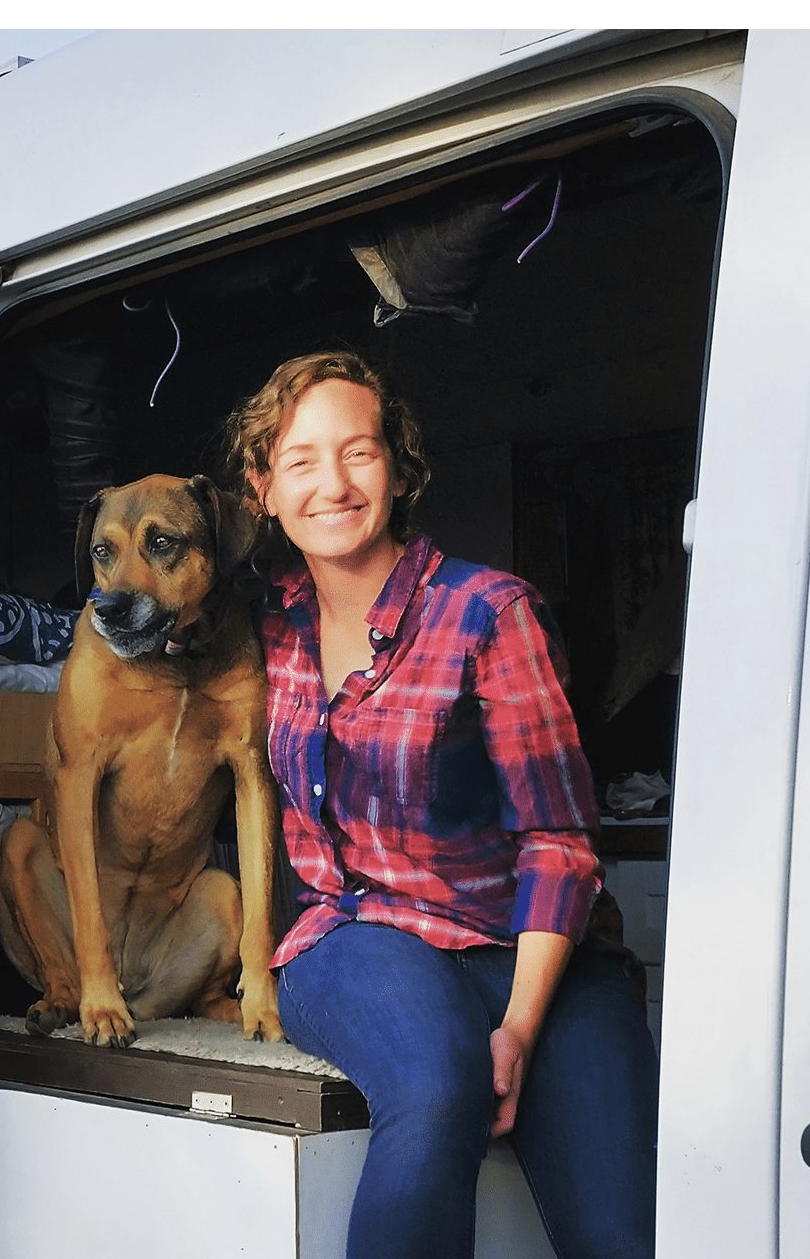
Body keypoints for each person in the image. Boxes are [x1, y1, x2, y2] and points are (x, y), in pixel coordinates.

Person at [223, 350, 658, 1259]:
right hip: (358, 938)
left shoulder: (489, 613)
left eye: (360, 453)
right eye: (300, 461)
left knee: (624, 1237)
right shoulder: (264, 631)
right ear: (263, 487)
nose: (333, 484)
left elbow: (558, 840)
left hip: (534, 955)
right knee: (436, 1084)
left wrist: (523, 1026)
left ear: (399, 468)